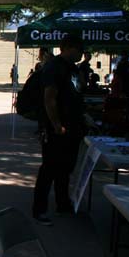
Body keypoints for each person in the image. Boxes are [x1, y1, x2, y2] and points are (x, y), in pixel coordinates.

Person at [32, 34, 85, 226]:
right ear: (69, 47)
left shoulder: (72, 69)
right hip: (56, 128)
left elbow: (76, 95)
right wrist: (55, 124)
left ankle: (63, 203)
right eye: (80, 49)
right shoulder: (54, 67)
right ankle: (39, 209)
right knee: (49, 168)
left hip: (71, 126)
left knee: (65, 167)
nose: (82, 54)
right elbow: (49, 98)